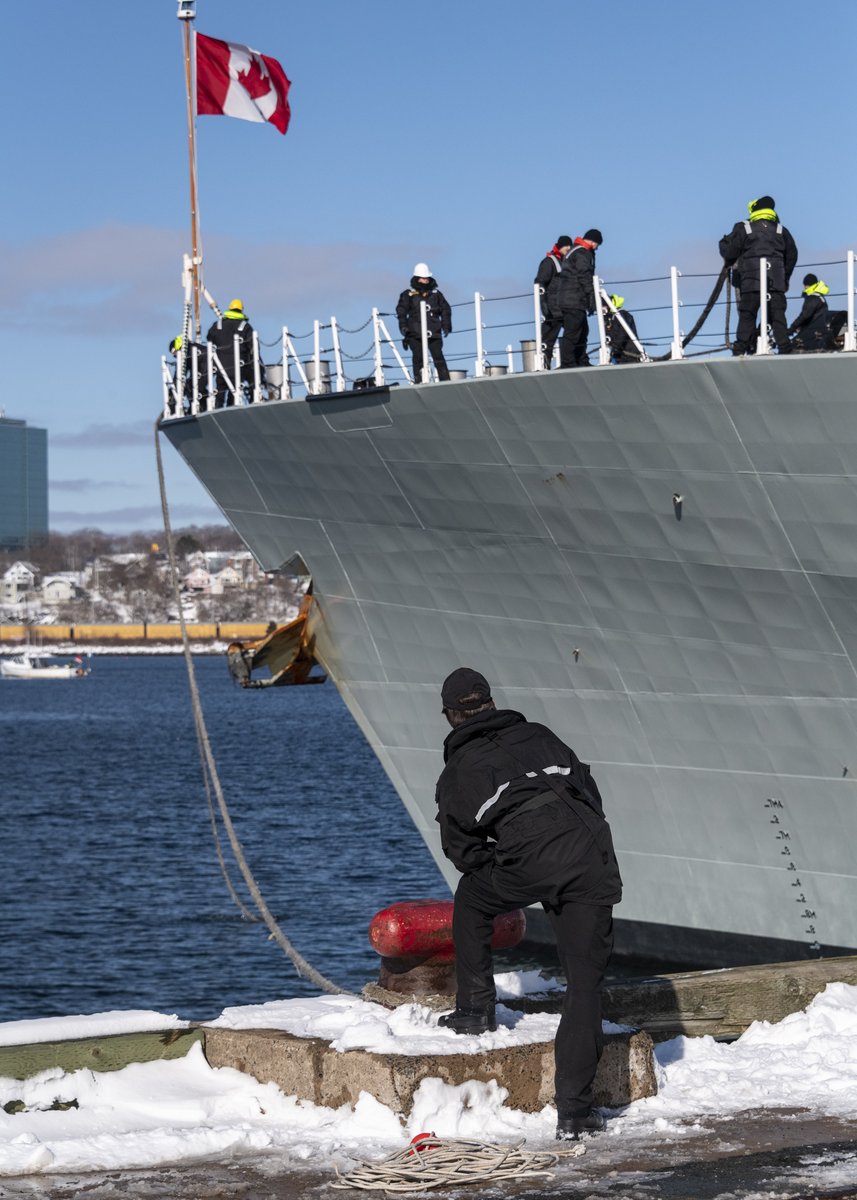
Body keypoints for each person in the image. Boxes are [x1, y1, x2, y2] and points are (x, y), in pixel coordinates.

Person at [434, 667, 622, 1141]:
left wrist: (510, 857)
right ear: (492, 704)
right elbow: (590, 792)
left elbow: (462, 853)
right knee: (584, 985)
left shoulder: (459, 770)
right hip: (591, 852)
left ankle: (476, 1009)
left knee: (473, 898)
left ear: (451, 716)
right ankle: (576, 1115)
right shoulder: (540, 734)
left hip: (530, 857)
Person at [719, 196, 797, 356]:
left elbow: (731, 253)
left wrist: (724, 246)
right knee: (778, 317)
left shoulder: (745, 228)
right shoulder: (781, 230)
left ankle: (739, 350)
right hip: (775, 283)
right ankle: (785, 349)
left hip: (750, 283)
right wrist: (785, 277)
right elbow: (792, 255)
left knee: (747, 316)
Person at [397, 263, 452, 383]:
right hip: (415, 333)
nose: (425, 280)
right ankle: (419, 381)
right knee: (418, 358)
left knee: (439, 357)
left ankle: (446, 382)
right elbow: (401, 311)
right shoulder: (408, 295)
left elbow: (445, 309)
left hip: (434, 332)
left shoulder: (436, 294)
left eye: (427, 277)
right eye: (423, 278)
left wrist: (446, 325)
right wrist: (404, 327)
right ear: (417, 278)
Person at [557, 230, 603, 368]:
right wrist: (592, 296)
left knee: (582, 330)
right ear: (593, 241)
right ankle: (568, 363)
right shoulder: (582, 253)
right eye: (597, 244)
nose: (597, 248)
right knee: (573, 332)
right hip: (574, 299)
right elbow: (584, 275)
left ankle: (581, 360)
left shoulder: (573, 250)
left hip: (568, 298)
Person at [206, 299, 259, 408]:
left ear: (230, 308)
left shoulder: (218, 325)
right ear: (241, 310)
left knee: (220, 391)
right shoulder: (245, 326)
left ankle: (217, 409)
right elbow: (253, 348)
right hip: (238, 368)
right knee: (235, 393)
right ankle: (232, 408)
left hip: (221, 367)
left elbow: (209, 339)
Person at [535, 236, 573, 368]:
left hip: (566, 307)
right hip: (553, 309)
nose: (568, 248)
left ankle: (572, 362)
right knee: (548, 339)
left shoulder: (567, 262)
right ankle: (545, 365)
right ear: (559, 246)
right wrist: (545, 309)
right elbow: (539, 284)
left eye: (569, 245)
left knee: (575, 335)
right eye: (565, 245)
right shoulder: (549, 262)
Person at [788, 274, 838, 353]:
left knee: (791, 348)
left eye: (805, 285)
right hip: (821, 331)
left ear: (806, 285)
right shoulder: (820, 297)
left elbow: (805, 315)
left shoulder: (813, 298)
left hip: (812, 332)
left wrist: (792, 328)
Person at [604, 295, 642, 364]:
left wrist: (615, 347)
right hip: (619, 356)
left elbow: (623, 332)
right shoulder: (610, 320)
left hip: (630, 354)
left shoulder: (623, 314)